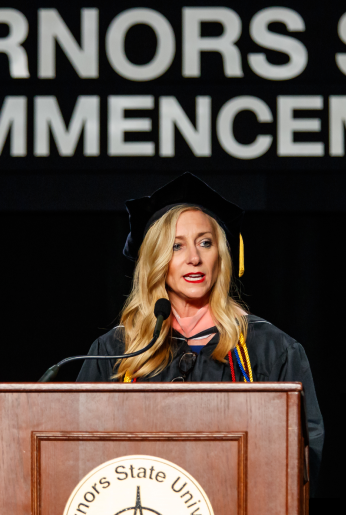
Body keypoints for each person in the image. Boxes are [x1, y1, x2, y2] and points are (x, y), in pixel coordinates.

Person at [77, 172, 324, 493]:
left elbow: (303, 458)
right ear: (157, 260)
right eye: (177, 246)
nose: (194, 257)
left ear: (220, 255)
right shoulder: (115, 351)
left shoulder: (270, 348)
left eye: (205, 242)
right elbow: (76, 449)